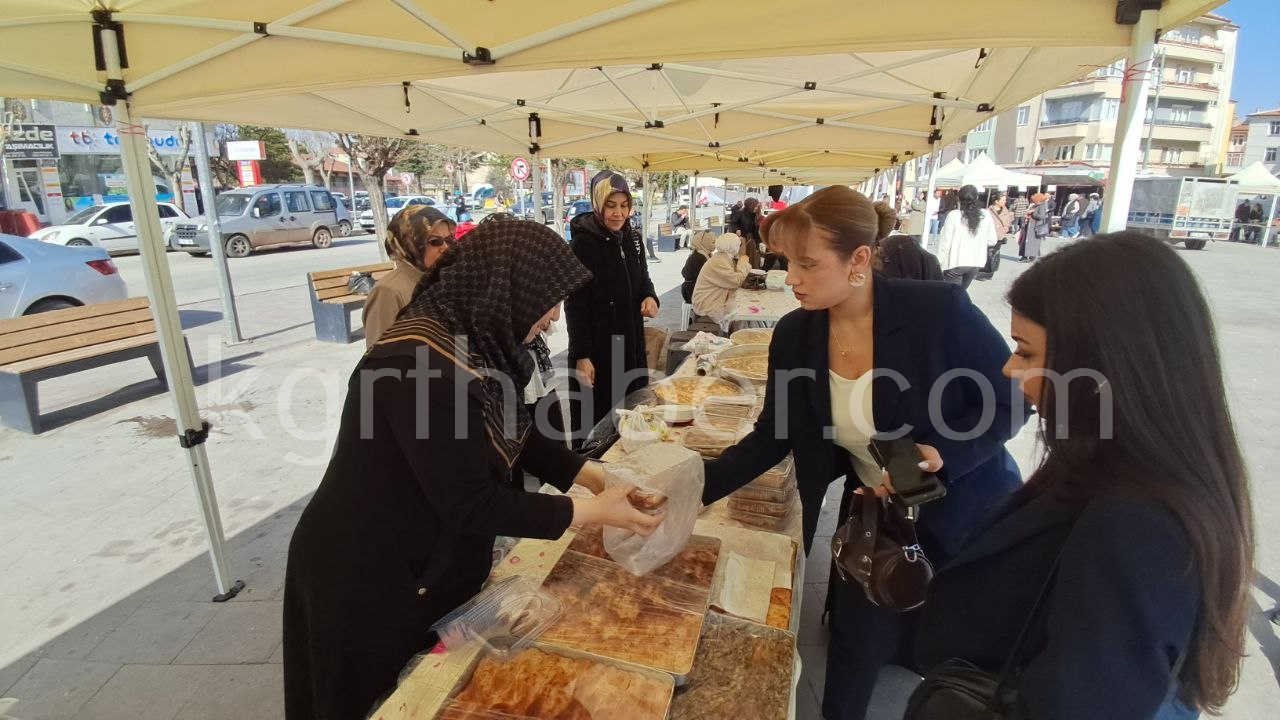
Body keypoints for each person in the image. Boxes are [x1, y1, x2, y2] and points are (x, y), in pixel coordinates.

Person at [283, 221, 664, 720]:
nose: (552, 318)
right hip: (366, 575)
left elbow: (516, 433)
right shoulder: (414, 365)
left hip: (423, 560)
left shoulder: (476, 341)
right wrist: (591, 511)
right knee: (376, 703)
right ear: (503, 287)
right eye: (547, 300)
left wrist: (597, 478)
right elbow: (471, 502)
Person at [702, 185, 1028, 720]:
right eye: (788, 263)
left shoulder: (936, 310)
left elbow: (1013, 397)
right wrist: (694, 486)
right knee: (854, 654)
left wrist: (945, 452)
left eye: (808, 264)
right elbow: (772, 436)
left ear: (858, 260)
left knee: (958, 669)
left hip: (965, 516)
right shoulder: (796, 334)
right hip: (874, 524)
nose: (792, 279)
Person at [915, 233, 1254, 720]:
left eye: (1027, 353)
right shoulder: (1115, 465)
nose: (1010, 369)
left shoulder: (1134, 523)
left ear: (1098, 365)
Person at [565, 170, 660, 431]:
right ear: (597, 204)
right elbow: (575, 305)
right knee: (597, 420)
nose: (618, 213)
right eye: (611, 206)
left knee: (632, 414)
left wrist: (650, 297)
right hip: (598, 350)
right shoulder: (583, 245)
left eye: (624, 205)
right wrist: (581, 355)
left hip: (630, 343)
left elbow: (643, 280)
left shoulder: (633, 239)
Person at [362, 205, 456, 348]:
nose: (445, 247)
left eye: (449, 239)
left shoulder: (443, 280)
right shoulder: (388, 292)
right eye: (435, 241)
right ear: (411, 243)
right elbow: (380, 358)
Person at [936, 184, 998, 290]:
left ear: (959, 199)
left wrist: (937, 263)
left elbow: (945, 243)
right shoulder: (985, 215)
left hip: (955, 262)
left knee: (951, 297)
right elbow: (992, 240)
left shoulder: (954, 215)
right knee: (961, 294)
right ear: (977, 198)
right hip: (975, 263)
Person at [691, 231, 752, 330]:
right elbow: (736, 281)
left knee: (743, 307)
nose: (739, 247)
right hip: (707, 304)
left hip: (715, 299)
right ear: (733, 246)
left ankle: (737, 334)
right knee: (741, 311)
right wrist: (742, 260)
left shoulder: (723, 258)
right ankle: (736, 337)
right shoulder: (719, 261)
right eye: (738, 245)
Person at [680, 229, 717, 304]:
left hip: (694, 289)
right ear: (704, 243)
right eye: (713, 242)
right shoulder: (698, 257)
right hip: (692, 291)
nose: (715, 245)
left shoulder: (703, 254)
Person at [728, 197, 764, 267]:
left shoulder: (755, 214)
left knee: (752, 256)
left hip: (752, 238)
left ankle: (751, 268)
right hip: (743, 237)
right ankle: (742, 268)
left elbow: (756, 228)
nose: (756, 208)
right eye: (755, 206)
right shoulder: (740, 213)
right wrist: (736, 229)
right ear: (750, 205)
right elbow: (733, 223)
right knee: (743, 255)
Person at [1023, 192, 1051, 262]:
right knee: (1033, 241)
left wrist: (1033, 213)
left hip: (1037, 226)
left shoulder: (1042, 206)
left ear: (1039, 200)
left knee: (1034, 241)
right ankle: (1032, 255)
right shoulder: (1039, 205)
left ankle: (1033, 256)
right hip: (1034, 225)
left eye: (1035, 201)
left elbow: (1041, 216)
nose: (1034, 202)